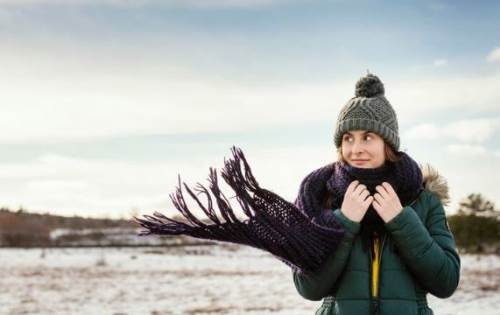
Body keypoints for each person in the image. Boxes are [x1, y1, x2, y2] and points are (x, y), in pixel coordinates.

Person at [292, 73, 461, 315]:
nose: (356, 149)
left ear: (387, 144)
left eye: (367, 137)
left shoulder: (423, 200)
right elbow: (307, 288)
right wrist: (345, 222)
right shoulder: (320, 199)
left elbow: (446, 282)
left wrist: (401, 220)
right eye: (348, 138)